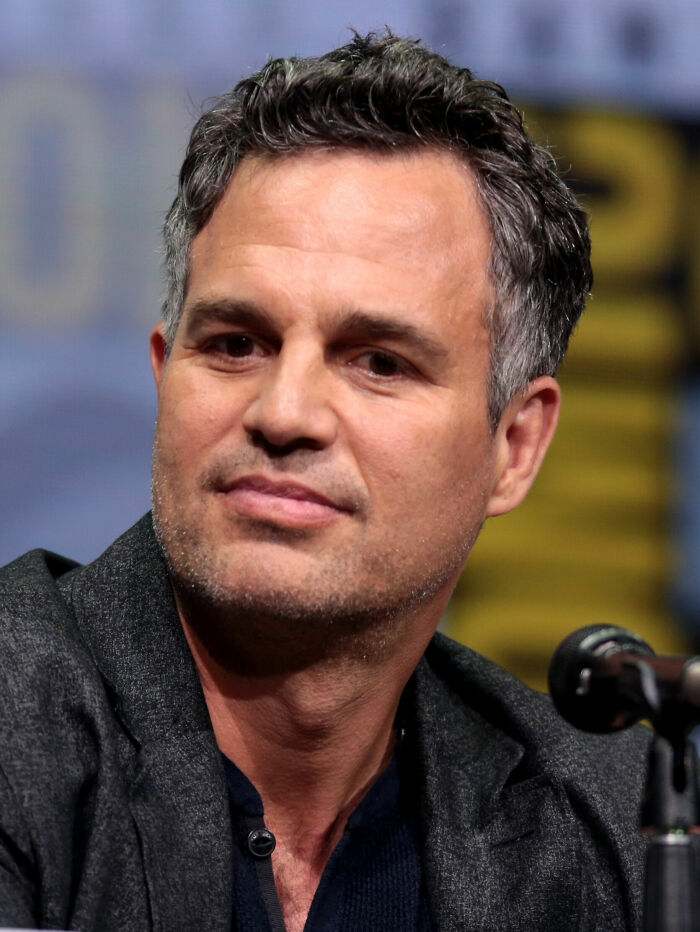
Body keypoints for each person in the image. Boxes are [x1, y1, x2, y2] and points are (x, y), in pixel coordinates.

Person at [0, 31, 649, 932]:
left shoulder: (619, 827)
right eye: (234, 345)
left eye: (378, 361)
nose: (285, 411)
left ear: (515, 445)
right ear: (163, 373)